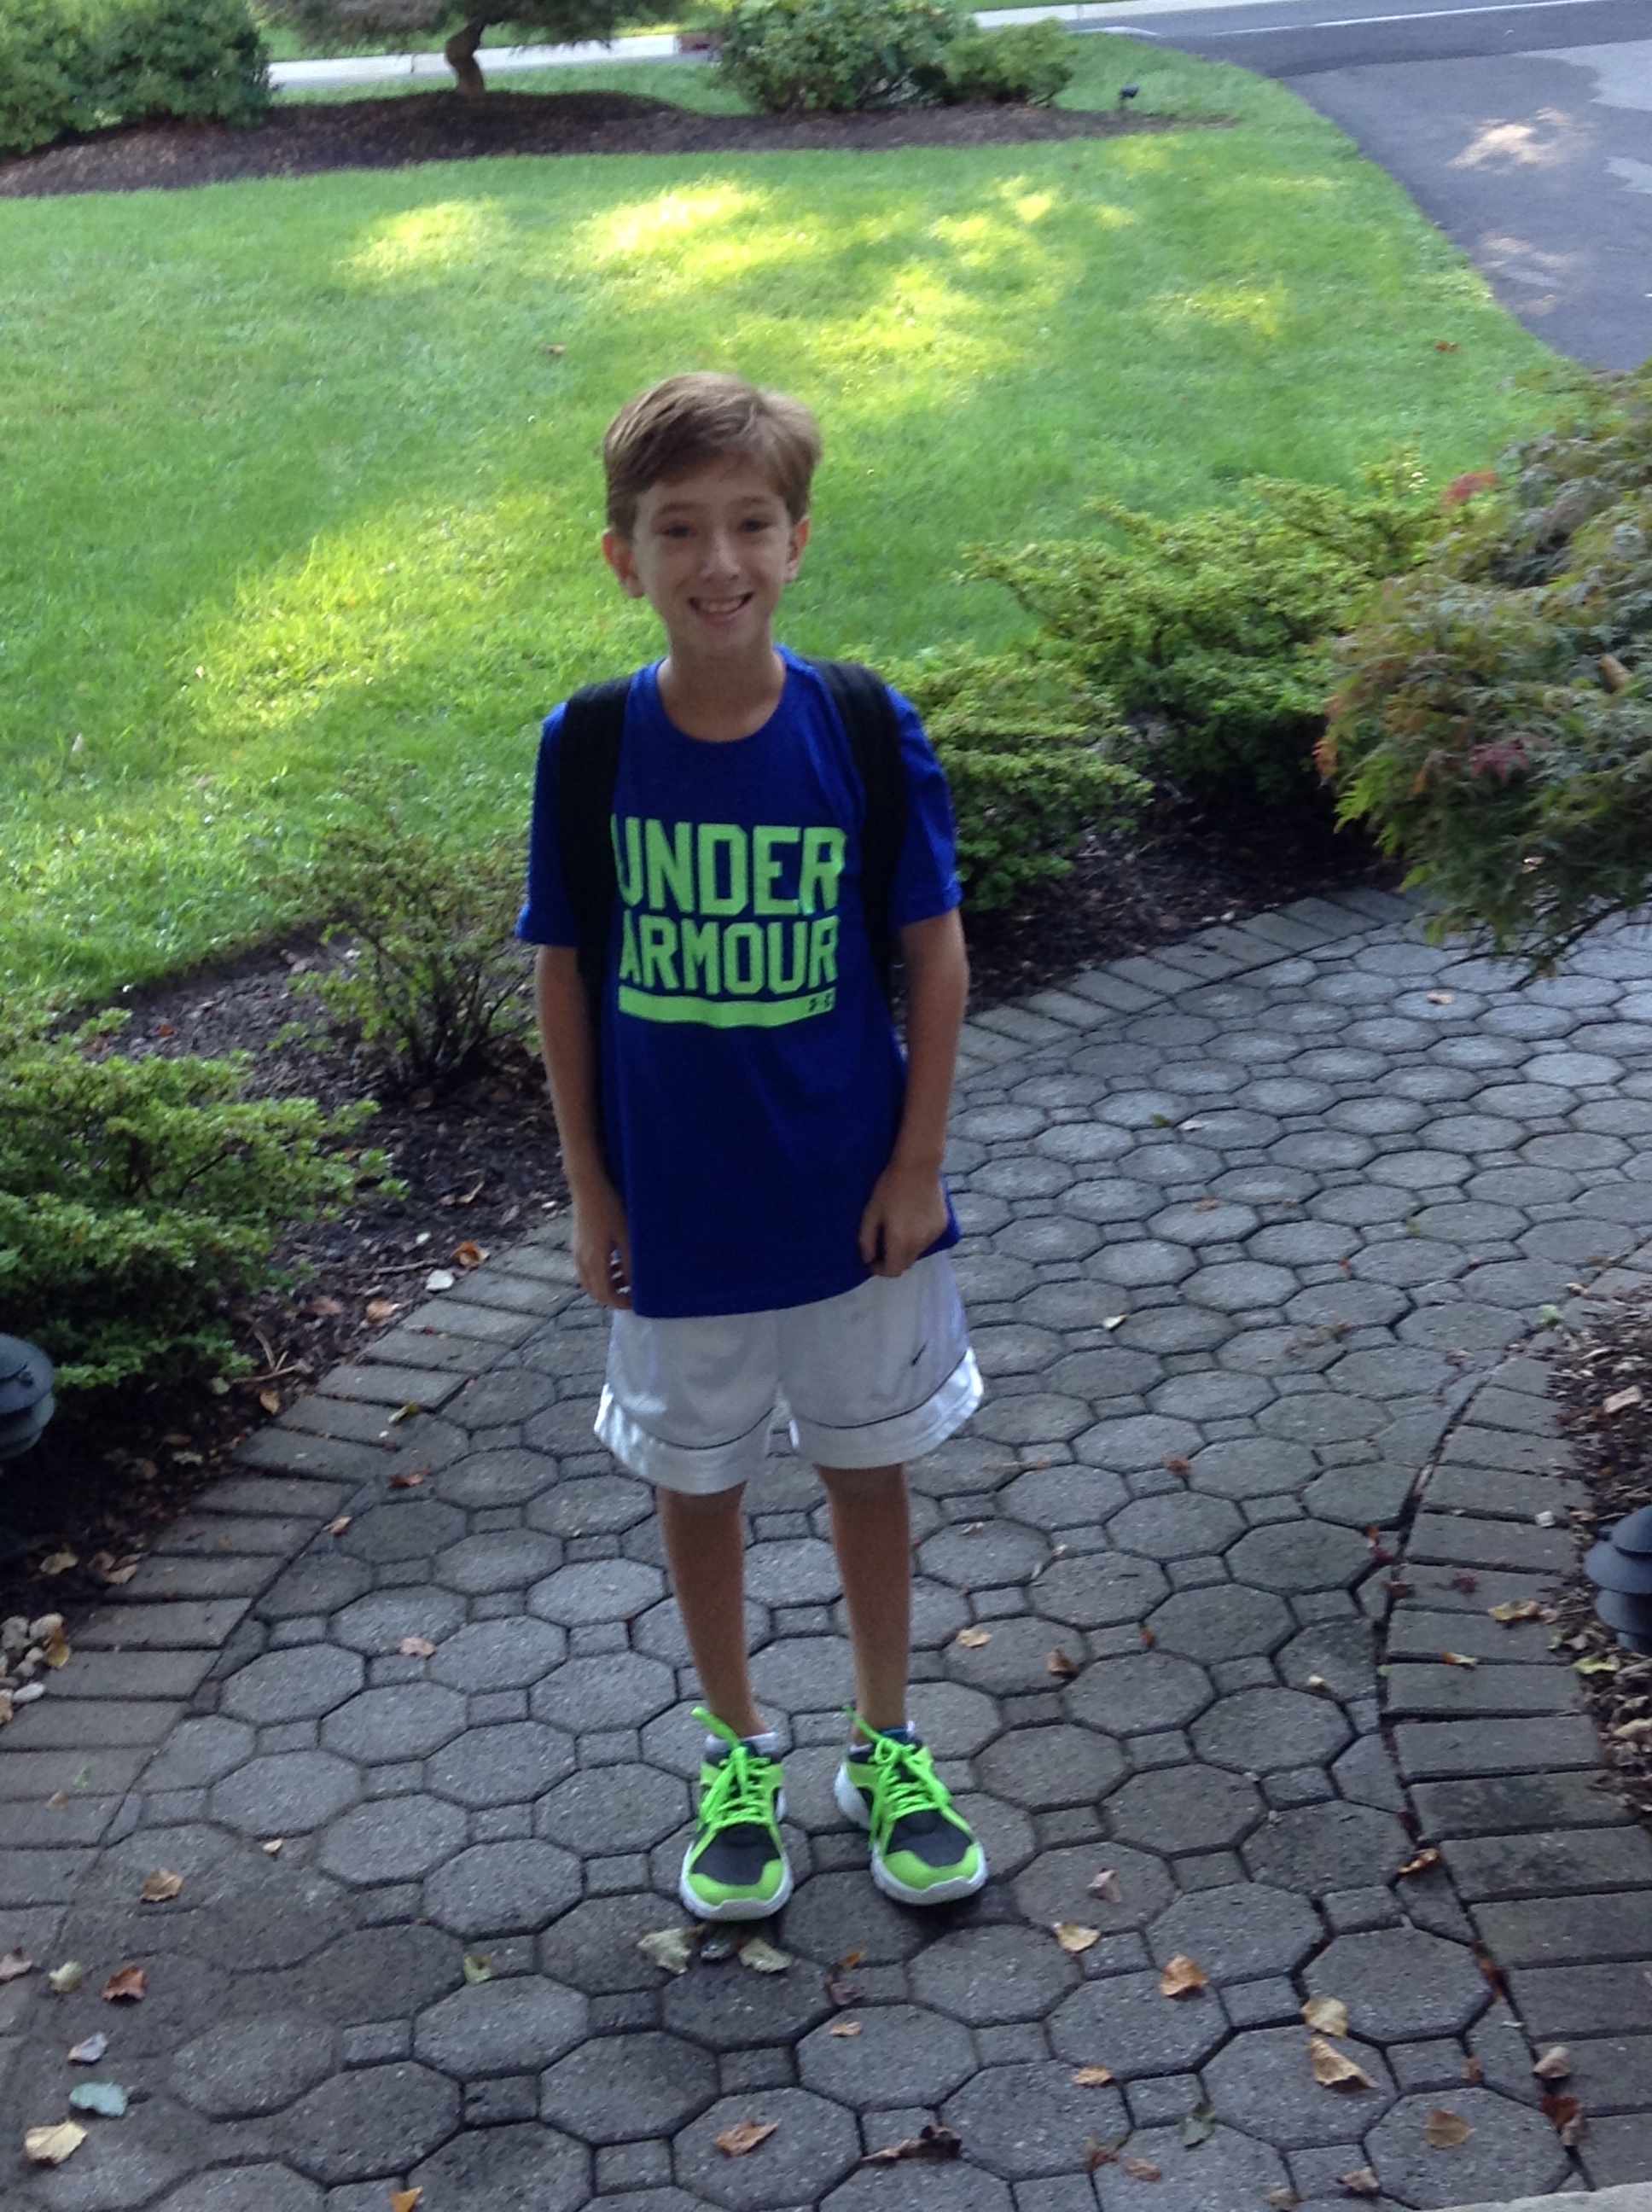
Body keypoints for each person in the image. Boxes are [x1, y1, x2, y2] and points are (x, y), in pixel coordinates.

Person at [519, 371, 987, 1922]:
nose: (716, 561)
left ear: (797, 541)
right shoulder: (591, 745)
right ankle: (737, 1753)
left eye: (750, 524)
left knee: (868, 1468)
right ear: (623, 557)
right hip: (679, 1211)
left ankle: (886, 1743)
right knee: (697, 1482)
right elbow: (563, 976)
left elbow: (934, 952)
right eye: (677, 529)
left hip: (852, 1200)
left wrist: (915, 1166)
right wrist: (592, 1192)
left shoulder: (859, 724)